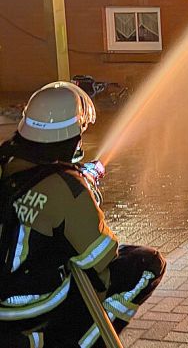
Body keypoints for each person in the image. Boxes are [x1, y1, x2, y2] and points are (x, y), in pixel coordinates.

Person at [0, 82, 165, 347]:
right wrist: (86, 198)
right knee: (146, 264)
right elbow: (100, 258)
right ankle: (75, 341)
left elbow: (28, 205)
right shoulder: (67, 187)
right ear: (72, 135)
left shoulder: (6, 161)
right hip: (24, 309)